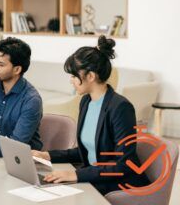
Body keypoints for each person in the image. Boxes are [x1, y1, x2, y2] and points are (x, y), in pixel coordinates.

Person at [32, 36, 150, 195]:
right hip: (95, 177)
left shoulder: (121, 107)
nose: (71, 81)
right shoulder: (86, 101)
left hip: (119, 186)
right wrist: (47, 155)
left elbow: (123, 164)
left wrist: (76, 174)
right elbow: (86, 150)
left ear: (90, 76)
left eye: (74, 76)